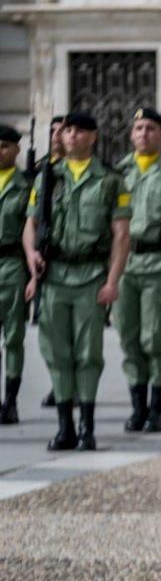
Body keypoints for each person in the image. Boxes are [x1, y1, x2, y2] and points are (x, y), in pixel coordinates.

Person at [24, 111, 132, 451]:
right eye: (67, 130)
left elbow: (121, 235)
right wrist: (31, 257)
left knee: (88, 354)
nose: (71, 136)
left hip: (89, 276)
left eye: (79, 131)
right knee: (57, 353)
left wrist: (112, 280)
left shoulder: (111, 180)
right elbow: (30, 224)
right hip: (54, 275)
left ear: (93, 137)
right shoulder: (47, 178)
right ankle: (64, 426)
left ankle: (86, 426)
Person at [112, 108, 161, 434]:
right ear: (131, 134)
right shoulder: (119, 173)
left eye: (151, 128)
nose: (144, 134)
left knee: (155, 336)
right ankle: (138, 407)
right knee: (129, 337)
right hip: (125, 265)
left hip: (160, 264)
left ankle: (157, 409)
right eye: (139, 128)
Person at [0, 125, 31, 424]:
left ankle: (10, 400)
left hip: (12, 266)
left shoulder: (26, 186)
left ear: (17, 150)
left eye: (5, 146)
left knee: (13, 337)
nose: (0, 152)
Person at [37, 114, 64, 411]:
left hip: (70, 261)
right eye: (54, 130)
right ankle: (56, 382)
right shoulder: (39, 170)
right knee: (47, 329)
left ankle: (64, 387)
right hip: (40, 261)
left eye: (62, 131)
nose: (57, 136)